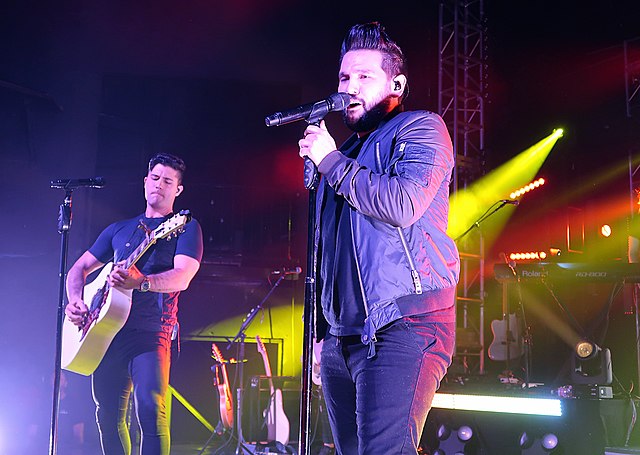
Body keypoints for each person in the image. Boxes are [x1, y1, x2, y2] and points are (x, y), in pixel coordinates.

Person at [297, 22, 459, 454]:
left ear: (397, 83)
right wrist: (321, 333)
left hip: (403, 323)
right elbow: (326, 250)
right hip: (341, 336)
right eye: (345, 77)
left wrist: (329, 160)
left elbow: (402, 204)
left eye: (365, 76)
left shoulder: (421, 128)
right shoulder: (343, 153)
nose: (350, 87)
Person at [64, 152, 203, 455]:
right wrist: (76, 301)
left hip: (151, 330)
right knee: (107, 414)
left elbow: (183, 277)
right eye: (155, 178)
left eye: (168, 181)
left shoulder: (184, 227)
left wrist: (142, 282)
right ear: (145, 182)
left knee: (151, 410)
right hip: (106, 332)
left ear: (178, 190)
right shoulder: (119, 229)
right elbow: (79, 269)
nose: (159, 185)